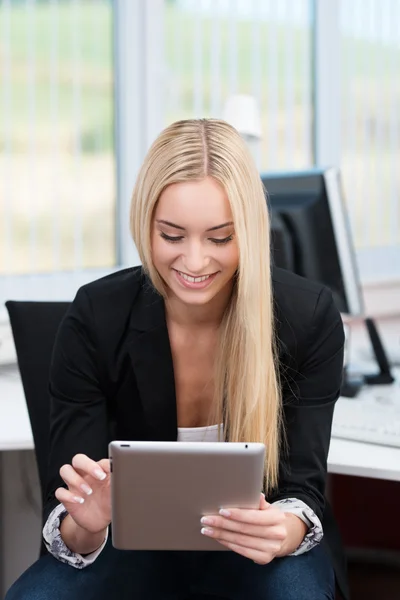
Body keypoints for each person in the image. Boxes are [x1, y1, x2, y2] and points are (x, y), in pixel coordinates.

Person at [6, 118, 348, 600]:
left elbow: (302, 488)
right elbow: (68, 526)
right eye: (172, 235)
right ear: (145, 224)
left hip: (255, 551)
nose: (193, 261)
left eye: (219, 237)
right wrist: (88, 523)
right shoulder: (97, 316)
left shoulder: (304, 317)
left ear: (248, 231)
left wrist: (284, 529)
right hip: (124, 551)